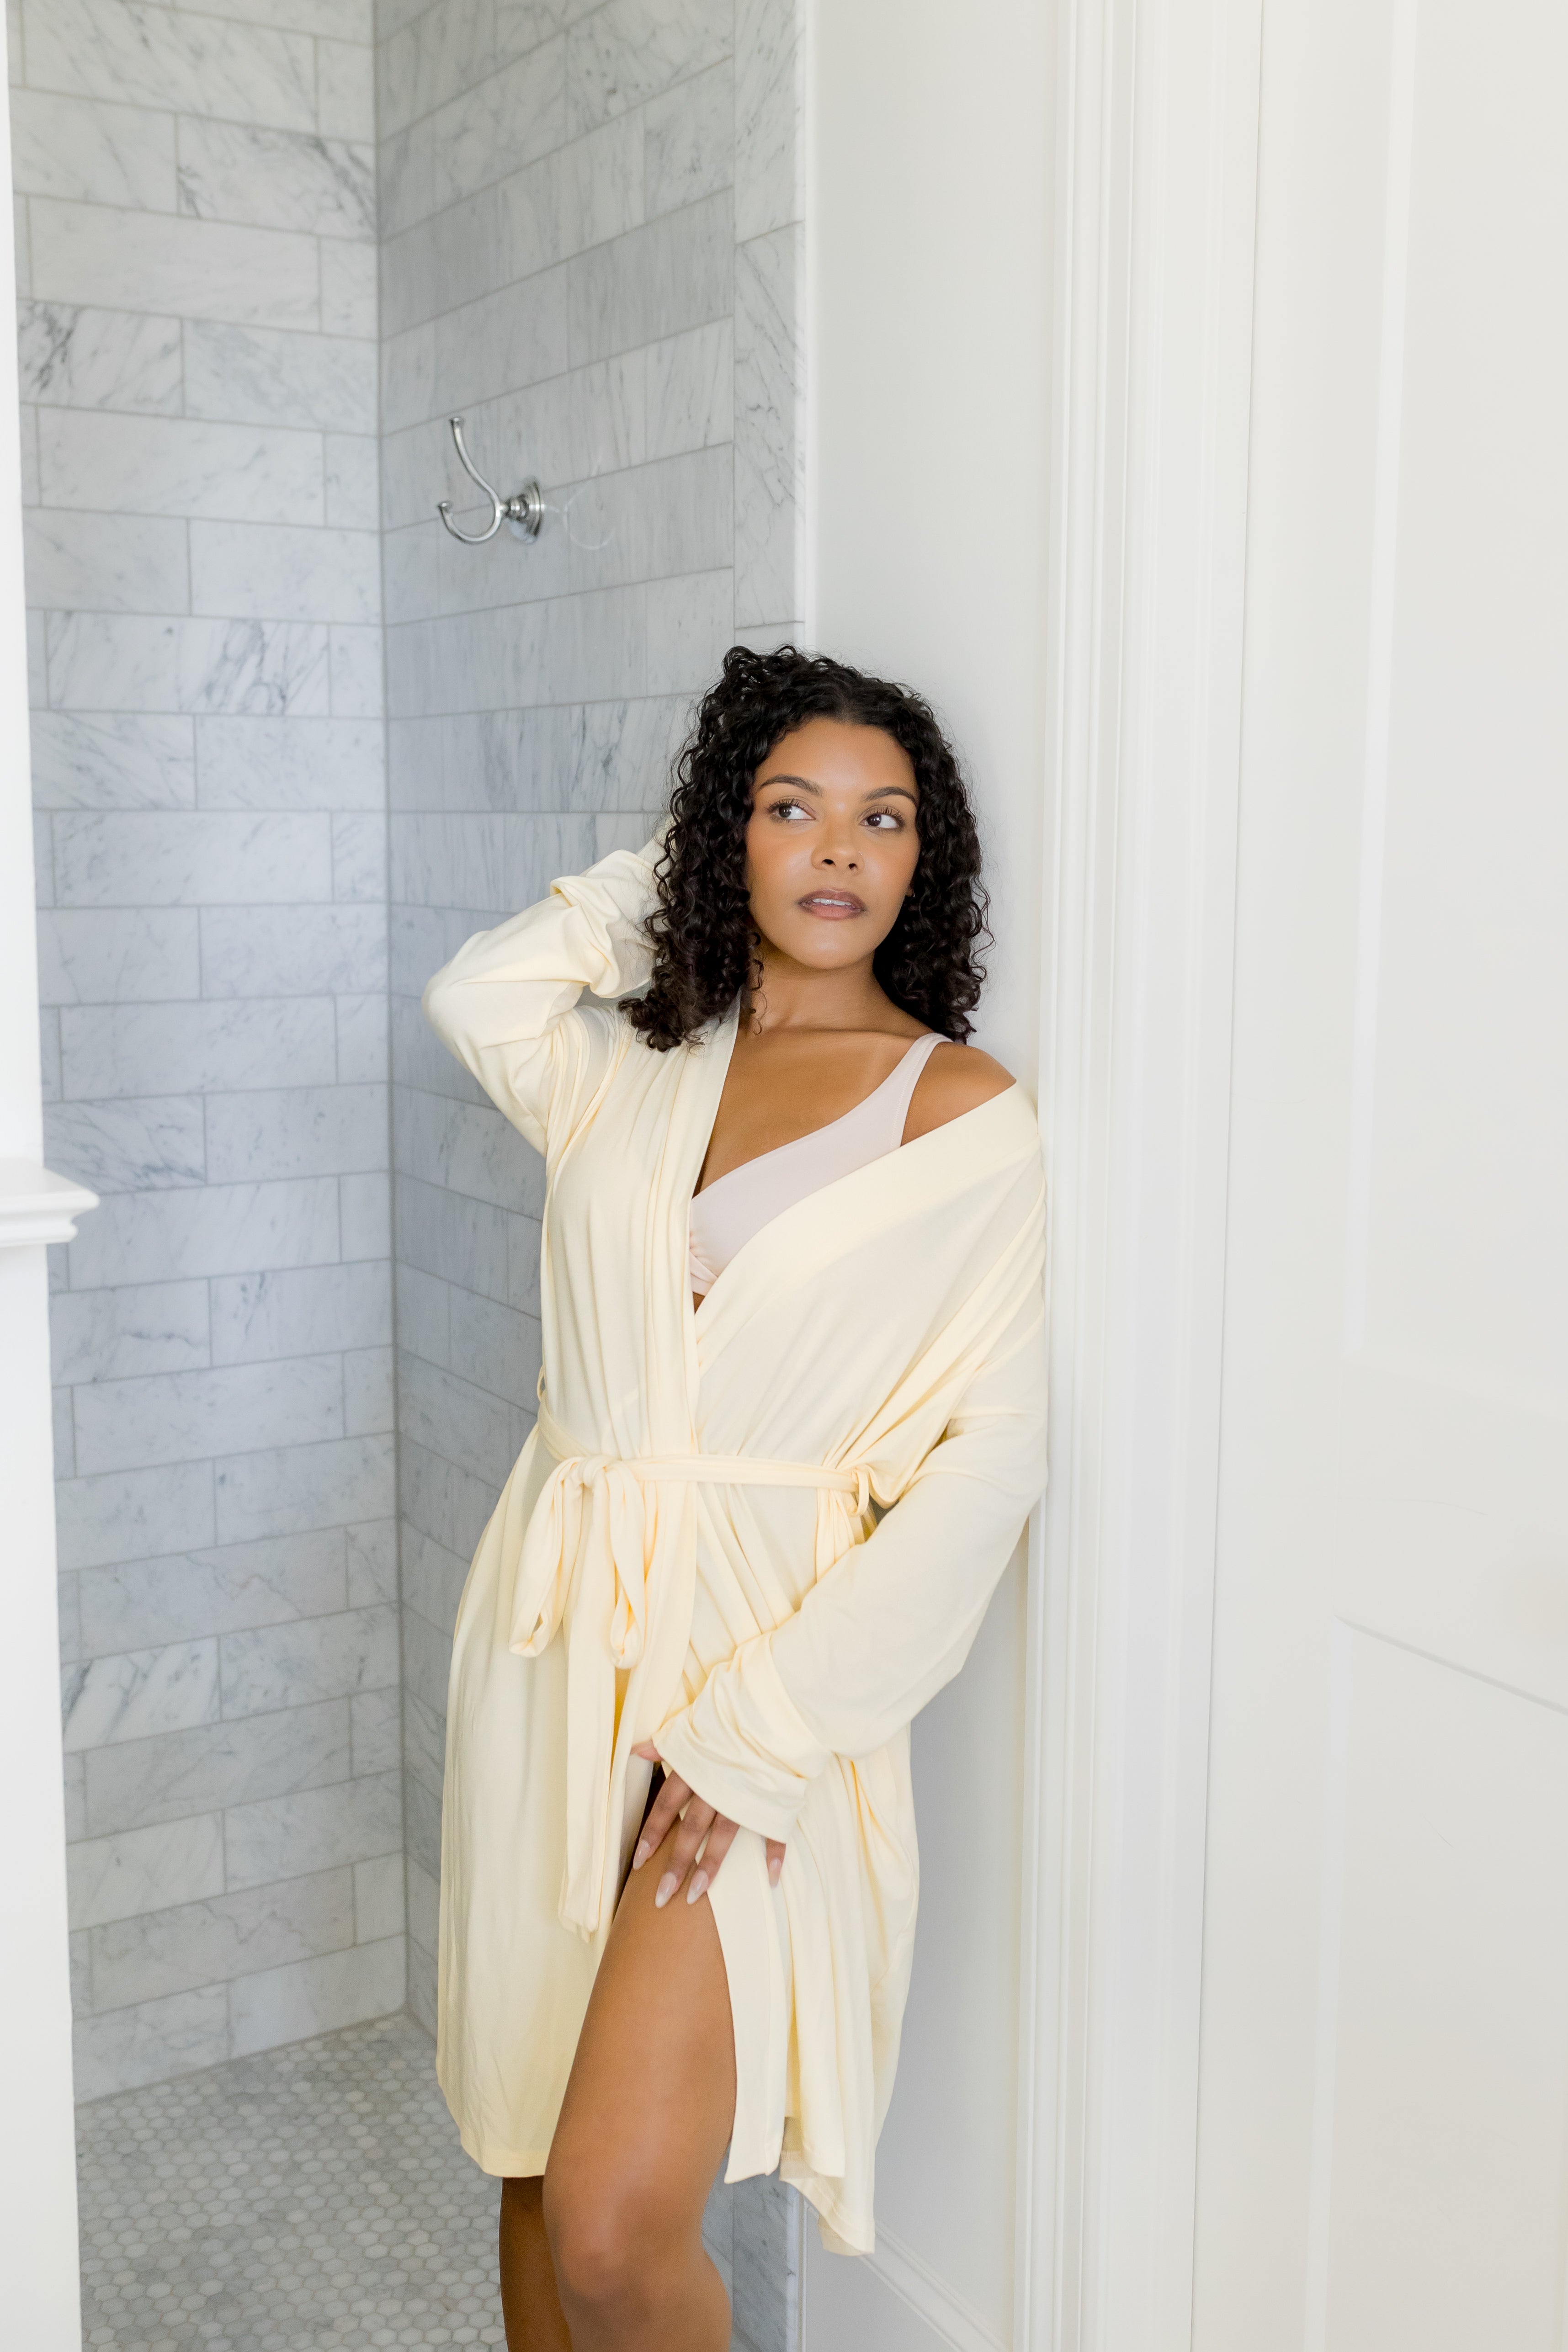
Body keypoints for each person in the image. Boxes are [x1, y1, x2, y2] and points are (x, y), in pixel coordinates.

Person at [421, 643, 1049, 2351]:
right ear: (731, 840)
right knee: (537, 2149)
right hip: (555, 1646)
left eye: (883, 816)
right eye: (791, 809)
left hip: (758, 1664)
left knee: (622, 2229)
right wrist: (665, 882)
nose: (839, 848)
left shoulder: (966, 1114)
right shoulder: (632, 1067)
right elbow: (479, 997)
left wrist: (766, 1727)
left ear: (926, 861)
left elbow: (990, 1468)